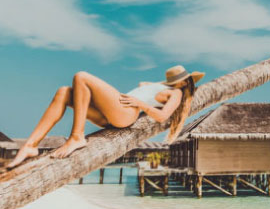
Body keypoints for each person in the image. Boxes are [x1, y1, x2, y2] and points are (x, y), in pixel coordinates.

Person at [6, 65, 205, 169]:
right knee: (64, 92)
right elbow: (147, 86)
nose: (183, 82)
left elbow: (162, 116)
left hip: (126, 113)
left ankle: (77, 136)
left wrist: (141, 104)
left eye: (184, 80)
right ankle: (31, 146)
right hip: (112, 113)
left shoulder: (177, 94)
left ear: (186, 83)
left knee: (81, 76)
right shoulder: (166, 87)